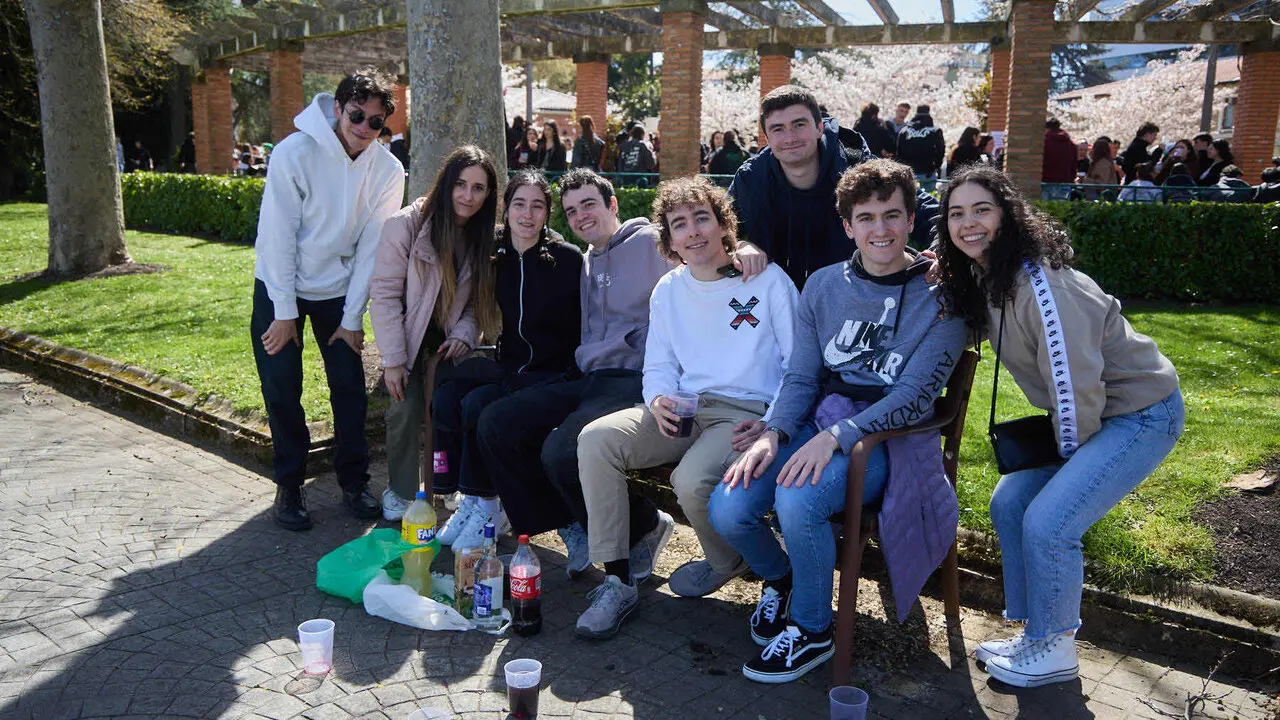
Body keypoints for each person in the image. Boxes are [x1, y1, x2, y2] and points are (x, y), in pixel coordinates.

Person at [709, 159, 966, 683]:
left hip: (882, 440)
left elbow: (916, 396)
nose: (880, 229)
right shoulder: (824, 286)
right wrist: (774, 433)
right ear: (847, 227)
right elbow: (802, 377)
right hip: (816, 422)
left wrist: (837, 438)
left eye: (892, 215)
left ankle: (812, 629)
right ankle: (784, 581)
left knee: (799, 500)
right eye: (866, 218)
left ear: (912, 219)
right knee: (728, 507)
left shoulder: (943, 298)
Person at [935, 165, 1183, 688]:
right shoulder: (989, 276)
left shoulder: (1040, 283)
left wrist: (1072, 462)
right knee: (1010, 501)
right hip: (1092, 413)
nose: (968, 223)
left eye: (982, 209)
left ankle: (1055, 647)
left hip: (1139, 414)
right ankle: (1034, 633)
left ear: (1008, 215)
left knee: (1050, 521)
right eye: (956, 213)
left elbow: (1076, 387)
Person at [574, 177, 799, 638]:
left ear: (723, 226)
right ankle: (617, 580)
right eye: (680, 224)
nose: (693, 231)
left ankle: (729, 562)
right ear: (670, 239)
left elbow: (799, 364)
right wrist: (656, 399)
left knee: (691, 480)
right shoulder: (669, 290)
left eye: (702, 218)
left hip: (745, 413)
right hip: (684, 408)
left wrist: (774, 421)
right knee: (597, 440)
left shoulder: (766, 279)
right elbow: (658, 362)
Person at [476, 169, 674, 580]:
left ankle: (645, 525)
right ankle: (566, 524)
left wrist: (742, 250)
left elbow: (704, 246)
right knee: (497, 422)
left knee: (562, 450)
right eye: (571, 210)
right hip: (588, 378)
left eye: (590, 204)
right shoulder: (584, 263)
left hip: (636, 377)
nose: (581, 215)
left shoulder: (651, 242)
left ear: (613, 205)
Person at [251, 68, 406, 530]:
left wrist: (353, 317)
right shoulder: (292, 153)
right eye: (356, 115)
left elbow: (372, 249)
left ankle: (354, 481)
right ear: (337, 108)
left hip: (337, 290)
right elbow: (276, 236)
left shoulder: (388, 170)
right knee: (282, 388)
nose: (364, 127)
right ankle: (290, 485)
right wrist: (283, 313)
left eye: (376, 122)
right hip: (281, 285)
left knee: (349, 388)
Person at [430, 169, 583, 549]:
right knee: (448, 394)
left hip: (553, 374)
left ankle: (489, 505)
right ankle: (472, 498)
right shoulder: (494, 254)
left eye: (537, 206)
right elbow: (471, 302)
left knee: (480, 407)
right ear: (505, 209)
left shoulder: (566, 260)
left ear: (548, 213)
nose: (527, 215)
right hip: (510, 366)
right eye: (519, 205)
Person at [369, 146, 500, 520]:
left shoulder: (482, 237)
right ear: (446, 183)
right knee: (405, 409)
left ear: (489, 194)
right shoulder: (405, 225)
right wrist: (393, 360)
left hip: (448, 344)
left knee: (452, 408)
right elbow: (385, 295)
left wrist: (464, 332)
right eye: (460, 184)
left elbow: (479, 302)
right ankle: (401, 490)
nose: (467, 196)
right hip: (408, 340)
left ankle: (445, 484)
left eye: (478, 188)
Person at [728, 85, 939, 290]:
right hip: (778, 305)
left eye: (799, 125)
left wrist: (940, 252)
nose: (790, 137)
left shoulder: (858, 168)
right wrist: (738, 246)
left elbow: (931, 214)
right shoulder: (751, 179)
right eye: (778, 129)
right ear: (767, 138)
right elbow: (715, 226)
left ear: (819, 127)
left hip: (854, 301)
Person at [895, 104, 945, 190]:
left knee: (909, 199)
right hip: (928, 171)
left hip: (909, 172)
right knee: (929, 199)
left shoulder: (904, 130)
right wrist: (936, 165)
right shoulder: (934, 131)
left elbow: (899, 151)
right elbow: (941, 150)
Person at [1041, 118, 1077, 200]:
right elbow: (1074, 165)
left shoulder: (1044, 142)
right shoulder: (1071, 144)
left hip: (1046, 182)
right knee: (1061, 211)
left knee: (1043, 211)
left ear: (1046, 128)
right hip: (1065, 182)